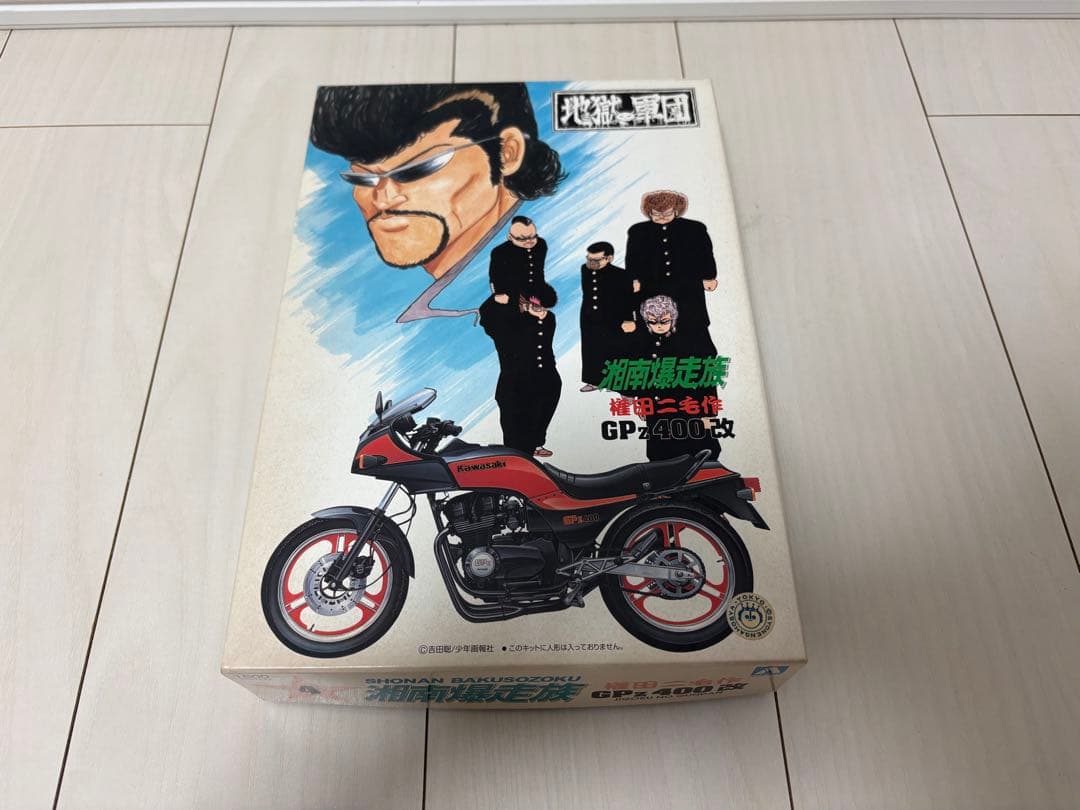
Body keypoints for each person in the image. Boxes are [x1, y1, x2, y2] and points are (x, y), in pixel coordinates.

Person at [310, 84, 564, 321]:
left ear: (507, 153)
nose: (383, 197)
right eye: (364, 178)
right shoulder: (375, 298)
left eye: (418, 169)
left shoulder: (552, 264)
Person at [623, 295, 720, 462]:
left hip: (688, 408)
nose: (659, 326)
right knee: (660, 457)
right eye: (653, 322)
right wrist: (643, 402)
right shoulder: (645, 343)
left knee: (701, 452)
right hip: (658, 413)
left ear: (673, 318)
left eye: (664, 321)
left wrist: (708, 414)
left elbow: (707, 375)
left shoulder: (690, 339)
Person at [625, 189, 718, 351]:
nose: (662, 217)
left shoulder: (695, 228)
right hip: (652, 286)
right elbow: (632, 259)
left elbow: (705, 254)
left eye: (666, 213)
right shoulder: (638, 231)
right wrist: (634, 279)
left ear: (676, 210)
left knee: (692, 322)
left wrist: (709, 276)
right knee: (656, 323)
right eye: (656, 214)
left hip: (687, 285)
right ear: (649, 212)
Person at [479, 282, 562, 457]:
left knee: (542, 415)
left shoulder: (549, 319)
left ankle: (535, 445)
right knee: (516, 426)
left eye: (544, 308)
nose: (541, 311)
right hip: (516, 383)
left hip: (547, 377)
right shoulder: (506, 322)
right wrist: (496, 299)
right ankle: (520, 455)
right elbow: (486, 318)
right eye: (536, 306)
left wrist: (537, 313)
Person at [578, 241, 638, 392]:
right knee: (591, 349)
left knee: (615, 349)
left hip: (614, 317)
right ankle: (594, 381)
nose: (591, 263)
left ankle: (616, 382)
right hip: (589, 317)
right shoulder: (585, 269)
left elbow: (628, 300)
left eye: (596, 260)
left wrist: (629, 319)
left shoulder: (622, 275)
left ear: (609, 258)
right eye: (589, 258)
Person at [488, 216, 546, 304]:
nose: (529, 241)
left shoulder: (541, 244)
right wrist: (498, 294)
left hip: (536, 289)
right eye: (522, 238)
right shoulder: (499, 252)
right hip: (510, 293)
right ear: (510, 237)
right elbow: (495, 276)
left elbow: (539, 269)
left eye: (533, 236)